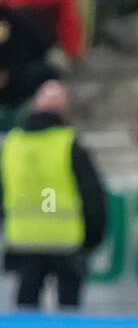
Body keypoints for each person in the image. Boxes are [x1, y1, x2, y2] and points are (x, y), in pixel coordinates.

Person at [0, 80, 107, 307]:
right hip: (65, 239)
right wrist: (94, 235)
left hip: (23, 238)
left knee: (25, 307)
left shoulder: (12, 144)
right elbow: (92, 194)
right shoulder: (68, 143)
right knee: (68, 309)